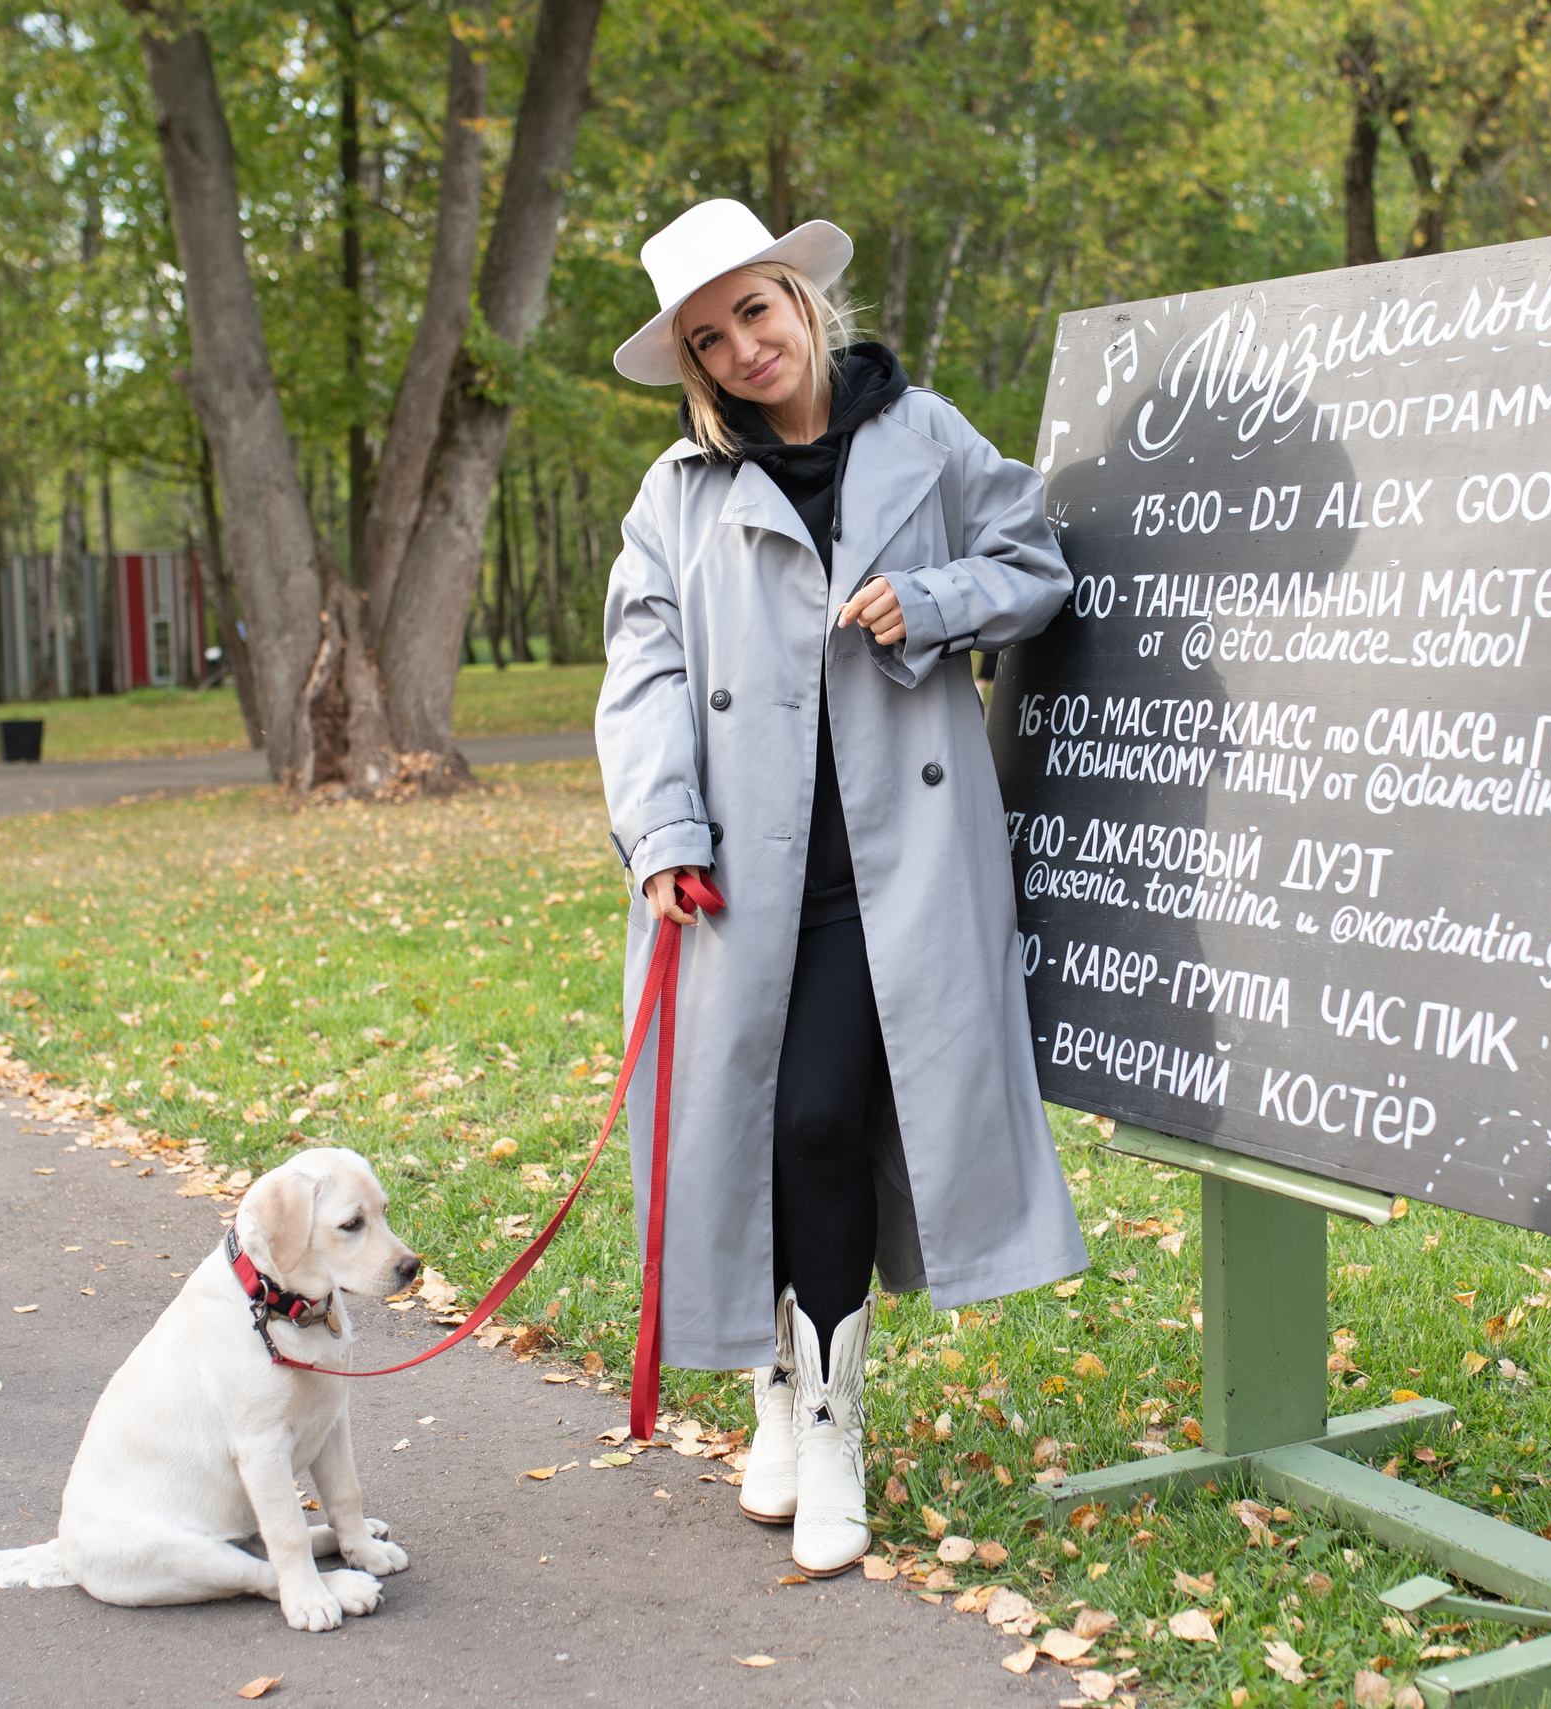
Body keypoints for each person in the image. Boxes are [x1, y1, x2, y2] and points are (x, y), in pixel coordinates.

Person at [595, 200, 1087, 1580]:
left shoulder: (925, 437)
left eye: (756, 311)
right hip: (739, 875)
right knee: (744, 1127)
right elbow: (644, 679)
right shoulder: (674, 497)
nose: (743, 347)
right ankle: (770, 1390)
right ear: (694, 366)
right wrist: (662, 830)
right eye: (710, 337)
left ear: (803, 304)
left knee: (817, 1119)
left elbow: (1035, 567)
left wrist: (931, 604)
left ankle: (833, 1420)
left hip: (899, 867)